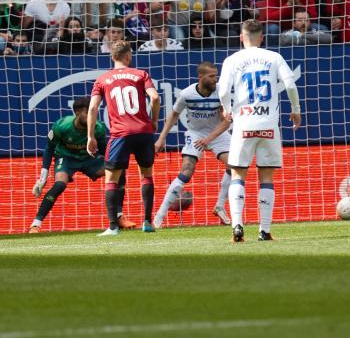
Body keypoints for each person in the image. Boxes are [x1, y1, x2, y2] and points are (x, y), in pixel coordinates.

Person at [217, 19, 301, 242]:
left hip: (244, 124)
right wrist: (296, 110)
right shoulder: (274, 57)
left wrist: (227, 109)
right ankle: (264, 230)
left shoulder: (232, 60)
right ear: (262, 38)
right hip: (268, 125)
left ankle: (236, 225)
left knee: (238, 174)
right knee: (266, 176)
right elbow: (290, 84)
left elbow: (223, 89)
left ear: (241, 37)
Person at [87, 40, 161, 235]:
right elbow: (154, 97)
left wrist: (90, 136)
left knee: (111, 179)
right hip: (143, 132)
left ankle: (113, 227)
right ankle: (147, 222)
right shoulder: (140, 74)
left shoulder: (102, 79)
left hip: (120, 134)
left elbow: (93, 107)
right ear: (129, 56)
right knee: (146, 175)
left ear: (112, 57)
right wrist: (153, 121)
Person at [29, 97, 130, 233]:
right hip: (66, 158)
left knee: (119, 170)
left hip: (88, 159)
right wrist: (43, 177)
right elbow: (49, 149)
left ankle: (118, 216)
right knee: (60, 184)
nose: (91, 116)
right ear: (77, 113)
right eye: (87, 113)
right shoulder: (61, 126)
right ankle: (36, 224)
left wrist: (115, 163)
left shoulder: (98, 128)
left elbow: (104, 152)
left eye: (93, 112)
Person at [153, 62, 232, 228]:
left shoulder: (221, 92)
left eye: (216, 76)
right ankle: (159, 215)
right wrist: (161, 138)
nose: (215, 79)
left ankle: (219, 206)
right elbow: (174, 115)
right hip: (195, 134)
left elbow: (227, 121)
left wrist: (209, 139)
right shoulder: (187, 94)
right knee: (186, 171)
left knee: (234, 165)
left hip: (217, 133)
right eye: (211, 76)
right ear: (201, 77)